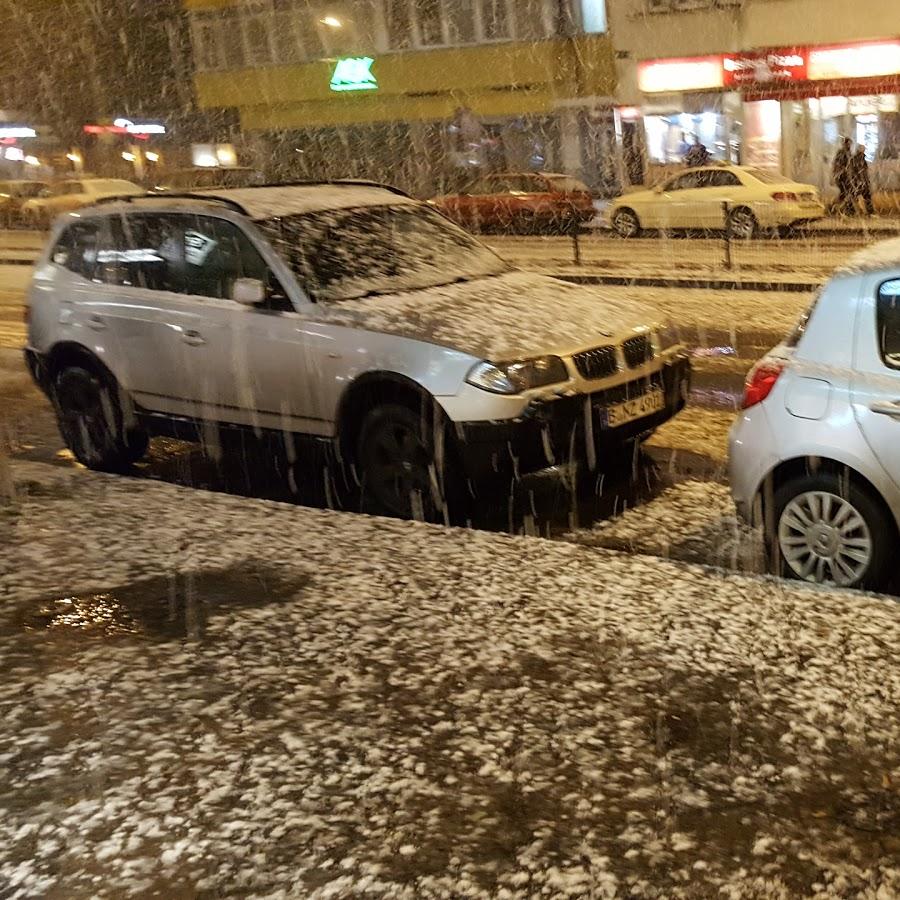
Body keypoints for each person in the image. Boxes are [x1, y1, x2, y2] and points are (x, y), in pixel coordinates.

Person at [849, 145, 874, 216]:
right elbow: (856, 171)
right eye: (863, 150)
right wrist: (858, 180)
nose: (863, 152)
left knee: (859, 196)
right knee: (858, 196)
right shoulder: (856, 159)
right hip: (859, 181)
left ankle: (855, 212)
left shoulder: (859, 159)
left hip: (860, 182)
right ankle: (855, 211)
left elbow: (864, 171)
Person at [831, 137, 852, 215]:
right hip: (841, 176)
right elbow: (838, 164)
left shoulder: (848, 152)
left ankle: (837, 208)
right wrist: (842, 170)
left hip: (845, 176)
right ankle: (835, 208)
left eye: (850, 144)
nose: (849, 145)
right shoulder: (841, 152)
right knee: (845, 193)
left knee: (845, 193)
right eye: (848, 144)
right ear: (845, 144)